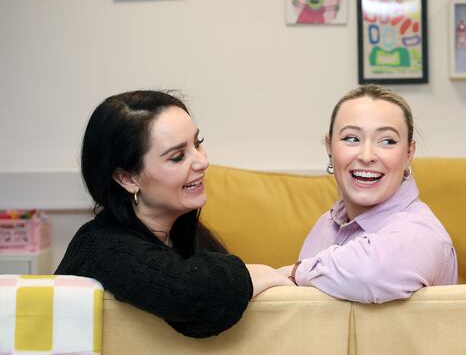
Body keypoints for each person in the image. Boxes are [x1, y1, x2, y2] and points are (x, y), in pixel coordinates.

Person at [56, 91, 293, 338]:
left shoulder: (183, 232)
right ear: (127, 178)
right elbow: (194, 298)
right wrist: (262, 273)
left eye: (198, 143)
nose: (202, 162)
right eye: (178, 156)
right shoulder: (102, 247)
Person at [281, 84, 458, 303]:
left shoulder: (422, 234)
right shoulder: (324, 225)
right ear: (329, 147)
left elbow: (371, 273)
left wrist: (291, 273)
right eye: (352, 138)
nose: (367, 155)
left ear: (409, 153)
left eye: (387, 141)